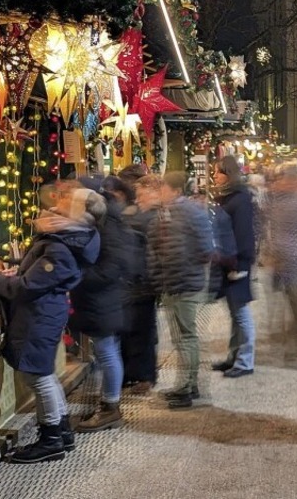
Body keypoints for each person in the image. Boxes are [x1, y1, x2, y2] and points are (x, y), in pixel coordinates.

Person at [0, 186, 103, 463]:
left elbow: (26, 287)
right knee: (44, 376)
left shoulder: (62, 246)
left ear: (78, 214)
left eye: (70, 200)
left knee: (38, 376)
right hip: (40, 314)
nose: (62, 200)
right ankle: (61, 432)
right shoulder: (65, 239)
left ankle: (51, 440)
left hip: (38, 317)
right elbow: (32, 277)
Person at [68, 176, 139, 432]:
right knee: (105, 351)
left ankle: (110, 408)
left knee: (107, 351)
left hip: (104, 298)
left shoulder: (109, 225)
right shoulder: (103, 221)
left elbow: (113, 266)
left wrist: (78, 276)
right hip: (100, 298)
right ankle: (108, 402)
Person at [148, 171, 216, 409]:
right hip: (176, 281)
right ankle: (188, 385)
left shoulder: (187, 212)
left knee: (186, 336)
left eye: (163, 188)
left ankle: (186, 389)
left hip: (183, 283)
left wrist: (181, 267)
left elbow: (206, 249)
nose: (160, 193)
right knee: (183, 336)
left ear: (176, 191)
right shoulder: (171, 212)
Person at [210, 156, 258, 378]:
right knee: (235, 312)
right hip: (229, 262)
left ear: (228, 174)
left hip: (237, 263)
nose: (215, 176)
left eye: (218, 172)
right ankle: (234, 356)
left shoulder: (239, 199)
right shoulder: (230, 197)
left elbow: (243, 234)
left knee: (241, 313)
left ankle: (245, 361)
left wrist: (239, 263)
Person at [265, 163, 297, 360]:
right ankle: (290, 345)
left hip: (296, 263)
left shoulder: (282, 203)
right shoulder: (291, 204)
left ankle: (291, 344)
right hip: (291, 264)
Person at [120, 174, 161, 395]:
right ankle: (139, 375)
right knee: (139, 330)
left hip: (142, 282)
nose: (138, 200)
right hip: (142, 282)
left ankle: (142, 377)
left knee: (141, 331)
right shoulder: (145, 215)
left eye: (142, 195)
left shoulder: (150, 217)